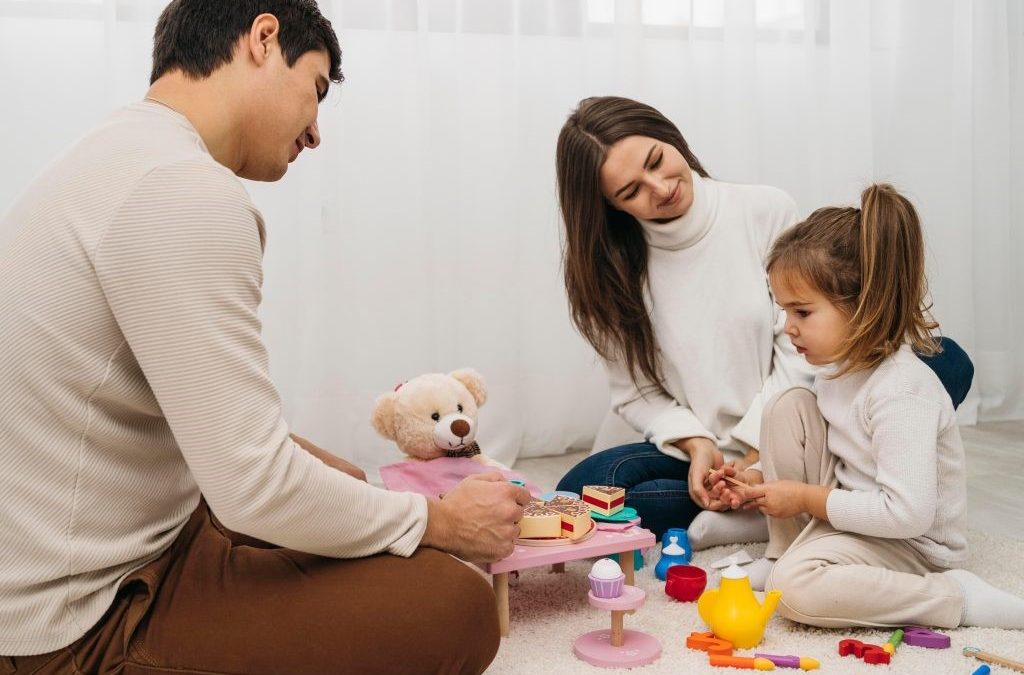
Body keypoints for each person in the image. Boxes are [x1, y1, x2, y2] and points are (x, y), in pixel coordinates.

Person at [0, 2, 528, 673]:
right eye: (317, 88)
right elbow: (252, 484)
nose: (316, 133)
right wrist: (446, 521)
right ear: (264, 37)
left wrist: (392, 507)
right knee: (455, 603)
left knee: (347, 483)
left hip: (132, 525)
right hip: (81, 616)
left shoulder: (121, 153)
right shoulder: (180, 192)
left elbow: (219, 437)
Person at [553, 96, 973, 546]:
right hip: (713, 453)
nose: (660, 187)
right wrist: (697, 446)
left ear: (670, 137)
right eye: (631, 191)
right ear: (608, 206)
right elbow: (636, 392)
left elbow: (805, 340)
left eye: (657, 160)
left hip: (812, 424)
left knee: (943, 361)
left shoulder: (763, 209)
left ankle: (790, 493)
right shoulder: (608, 273)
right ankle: (773, 507)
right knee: (582, 488)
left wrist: (758, 453)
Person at [713, 184, 1024, 629]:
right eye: (784, 312)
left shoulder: (901, 391)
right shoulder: (836, 373)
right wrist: (755, 480)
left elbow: (907, 514)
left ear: (864, 307)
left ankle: (955, 596)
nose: (788, 328)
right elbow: (839, 460)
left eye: (802, 313)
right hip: (854, 520)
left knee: (796, 590)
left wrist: (803, 497)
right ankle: (782, 550)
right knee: (788, 406)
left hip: (913, 547)